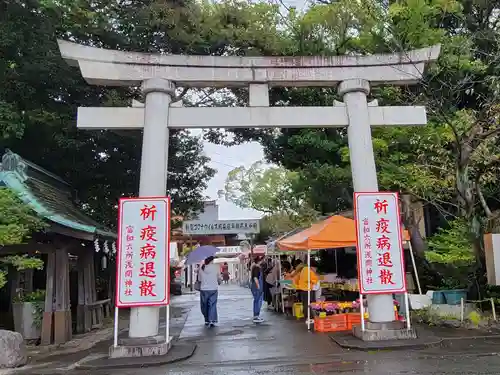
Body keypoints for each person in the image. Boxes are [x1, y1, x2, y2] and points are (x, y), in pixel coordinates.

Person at [296, 258, 319, 325]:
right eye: (315, 268)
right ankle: (310, 318)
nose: (315, 269)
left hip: (303, 289)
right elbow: (315, 280)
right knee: (310, 304)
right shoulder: (310, 271)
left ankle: (307, 317)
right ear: (312, 266)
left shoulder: (303, 269)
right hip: (308, 289)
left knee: (305, 304)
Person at [199, 256, 220, 327]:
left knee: (204, 305)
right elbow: (219, 278)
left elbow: (199, 279)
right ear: (211, 261)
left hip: (204, 289)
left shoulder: (202, 268)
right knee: (212, 304)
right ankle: (212, 320)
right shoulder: (215, 267)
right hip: (213, 288)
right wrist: (219, 281)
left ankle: (206, 319)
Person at [250, 257, 265, 323]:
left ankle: (256, 316)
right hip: (257, 287)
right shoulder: (256, 268)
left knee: (257, 301)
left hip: (256, 287)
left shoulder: (256, 268)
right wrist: (258, 285)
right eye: (262, 260)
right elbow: (255, 277)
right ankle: (256, 316)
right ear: (259, 261)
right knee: (257, 301)